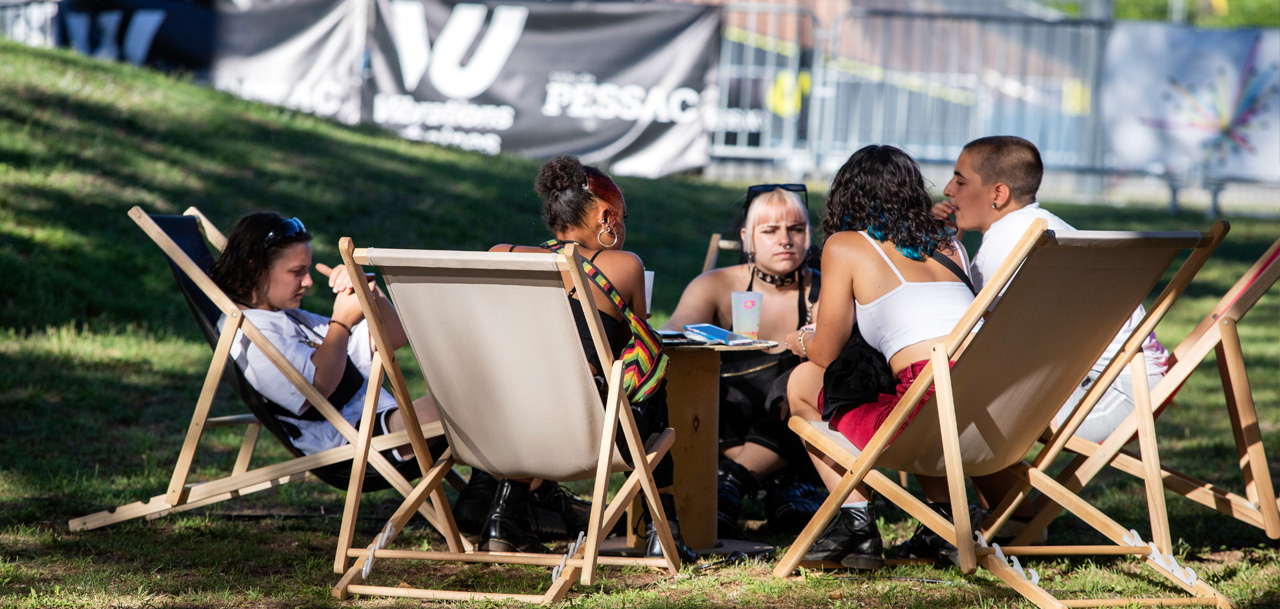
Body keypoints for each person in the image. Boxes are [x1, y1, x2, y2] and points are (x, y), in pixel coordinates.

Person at [482, 155, 697, 562]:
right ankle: (661, 530)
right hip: (588, 428)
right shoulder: (625, 266)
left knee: (536, 384)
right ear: (605, 216)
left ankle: (504, 516)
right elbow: (638, 333)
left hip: (505, 423)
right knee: (652, 382)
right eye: (623, 218)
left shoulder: (502, 253)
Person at [783, 145, 977, 569]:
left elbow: (827, 351)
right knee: (911, 386)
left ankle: (854, 523)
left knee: (802, 382)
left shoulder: (847, 245)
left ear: (847, 196)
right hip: (987, 408)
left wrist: (800, 339)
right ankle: (945, 521)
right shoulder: (951, 248)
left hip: (926, 411)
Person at [936, 135, 1168, 444]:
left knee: (951, 410)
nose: (948, 190)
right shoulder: (1044, 225)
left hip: (1109, 395)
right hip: (1131, 382)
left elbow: (962, 335)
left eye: (960, 182)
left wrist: (941, 248)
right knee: (966, 403)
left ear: (999, 194)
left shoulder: (1003, 246)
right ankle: (1006, 496)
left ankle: (961, 495)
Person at [209, 212, 442, 465]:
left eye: (307, 269)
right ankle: (481, 496)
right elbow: (316, 390)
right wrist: (341, 322)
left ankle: (481, 497)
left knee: (478, 395)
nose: (308, 281)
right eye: (297, 271)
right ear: (255, 269)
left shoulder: (290, 317)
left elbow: (392, 338)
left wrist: (367, 291)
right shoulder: (247, 334)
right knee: (474, 400)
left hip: (379, 423)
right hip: (350, 442)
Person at [663, 184, 827, 538]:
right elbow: (671, 341)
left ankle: (731, 481)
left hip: (790, 423)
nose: (786, 240)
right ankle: (776, 477)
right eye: (770, 231)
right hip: (731, 420)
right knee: (708, 385)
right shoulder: (716, 285)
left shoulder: (824, 291)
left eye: (796, 229)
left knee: (805, 384)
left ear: (809, 235)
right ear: (746, 237)